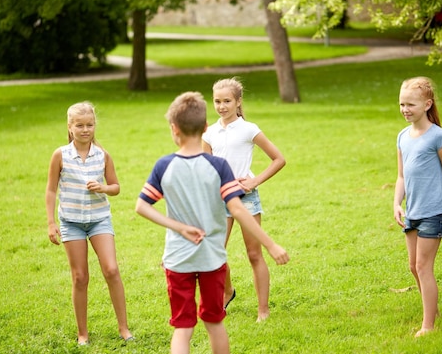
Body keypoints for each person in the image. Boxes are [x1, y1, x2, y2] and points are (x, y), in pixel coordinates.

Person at [135, 91, 289, 354]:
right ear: (205, 128)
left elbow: (141, 206)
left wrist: (179, 227)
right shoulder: (218, 167)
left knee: (183, 328)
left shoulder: (164, 165)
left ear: (174, 129)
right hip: (211, 259)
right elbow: (238, 210)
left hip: (177, 259)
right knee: (215, 323)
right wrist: (272, 245)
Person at [45, 102, 133, 346]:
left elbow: (116, 187)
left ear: (95, 126)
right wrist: (51, 222)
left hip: (99, 220)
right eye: (80, 125)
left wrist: (103, 187)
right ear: (70, 127)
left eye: (90, 125)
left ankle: (124, 328)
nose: (85, 130)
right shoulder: (60, 155)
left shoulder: (102, 155)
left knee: (112, 270)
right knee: (80, 277)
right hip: (71, 222)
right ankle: (83, 333)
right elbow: (51, 190)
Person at [201, 77, 286, 322]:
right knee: (215, 252)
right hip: (220, 200)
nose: (221, 106)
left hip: (247, 199)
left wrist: (254, 181)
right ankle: (227, 290)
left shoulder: (249, 129)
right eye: (217, 101)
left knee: (254, 254)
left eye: (227, 101)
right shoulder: (211, 133)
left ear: (238, 102)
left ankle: (263, 310)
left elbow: (278, 159)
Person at [393, 77, 442, 337]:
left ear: (427, 104)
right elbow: (401, 176)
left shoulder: (438, 136)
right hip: (412, 210)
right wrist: (396, 203)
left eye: (410, 104)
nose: (405, 109)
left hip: (434, 210)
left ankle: (428, 326)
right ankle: (432, 311)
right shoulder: (402, 136)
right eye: (401, 104)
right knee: (413, 266)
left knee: (423, 267)